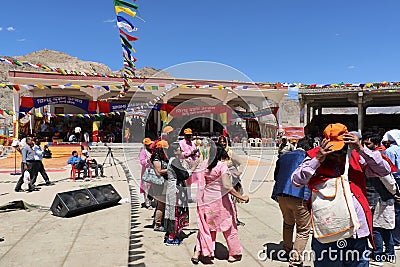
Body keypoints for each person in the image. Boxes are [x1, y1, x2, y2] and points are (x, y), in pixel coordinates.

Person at [292, 123, 391, 267]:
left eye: (342, 152)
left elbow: (383, 170)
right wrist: (317, 160)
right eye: (334, 153)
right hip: (328, 230)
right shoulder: (314, 157)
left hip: (357, 230)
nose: (338, 158)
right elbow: (296, 181)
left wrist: (362, 149)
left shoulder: (357, 156)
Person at [191, 143, 249, 264]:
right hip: (221, 202)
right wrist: (241, 197)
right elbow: (227, 185)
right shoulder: (221, 166)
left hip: (206, 201)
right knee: (229, 228)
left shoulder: (204, 164)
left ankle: (200, 252)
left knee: (205, 227)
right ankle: (233, 254)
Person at [271, 137, 314, 267]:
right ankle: (295, 259)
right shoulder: (309, 158)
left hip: (282, 194)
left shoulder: (283, 156)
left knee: (288, 224)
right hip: (299, 196)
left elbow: (275, 176)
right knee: (303, 230)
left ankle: (287, 250)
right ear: (309, 147)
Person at [362, 133, 399, 265]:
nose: (365, 147)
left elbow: (388, 180)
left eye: (368, 144)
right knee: (385, 228)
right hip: (381, 198)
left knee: (377, 228)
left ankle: (378, 255)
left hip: (380, 198)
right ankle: (389, 253)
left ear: (377, 145)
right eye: (364, 144)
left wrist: (395, 193)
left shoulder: (378, 160)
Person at [164, 143, 198, 245]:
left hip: (174, 188)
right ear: (175, 152)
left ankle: (174, 232)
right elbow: (183, 175)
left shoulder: (174, 160)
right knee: (175, 212)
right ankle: (171, 237)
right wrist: (193, 168)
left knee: (173, 211)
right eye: (179, 149)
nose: (181, 151)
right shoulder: (174, 161)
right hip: (175, 190)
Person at [218, 135, 245, 226]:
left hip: (231, 179)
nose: (222, 143)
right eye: (221, 141)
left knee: (231, 200)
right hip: (220, 180)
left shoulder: (230, 153)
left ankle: (234, 219)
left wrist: (239, 172)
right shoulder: (217, 153)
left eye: (224, 141)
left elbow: (240, 163)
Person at [381, 129, 400, 250]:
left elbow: (388, 170)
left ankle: (396, 239)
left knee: (395, 210)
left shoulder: (389, 151)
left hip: (396, 181)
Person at [151, 140, 169, 232]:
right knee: (161, 205)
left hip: (163, 183)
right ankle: (157, 224)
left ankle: (160, 222)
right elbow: (159, 171)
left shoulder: (162, 157)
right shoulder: (156, 158)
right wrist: (170, 169)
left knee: (163, 204)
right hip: (158, 184)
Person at [179, 128, 199, 202]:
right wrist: (190, 153)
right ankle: (184, 196)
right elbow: (180, 154)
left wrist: (196, 153)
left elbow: (197, 152)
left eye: (190, 135)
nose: (189, 136)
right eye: (187, 135)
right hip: (185, 163)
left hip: (193, 163)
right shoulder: (181, 143)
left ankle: (189, 196)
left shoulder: (192, 143)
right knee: (185, 180)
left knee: (191, 181)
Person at [139, 138, 153, 208]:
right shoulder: (143, 152)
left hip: (153, 171)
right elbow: (141, 161)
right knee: (146, 187)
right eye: (148, 145)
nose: (149, 146)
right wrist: (147, 160)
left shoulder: (153, 151)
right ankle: (147, 202)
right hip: (146, 172)